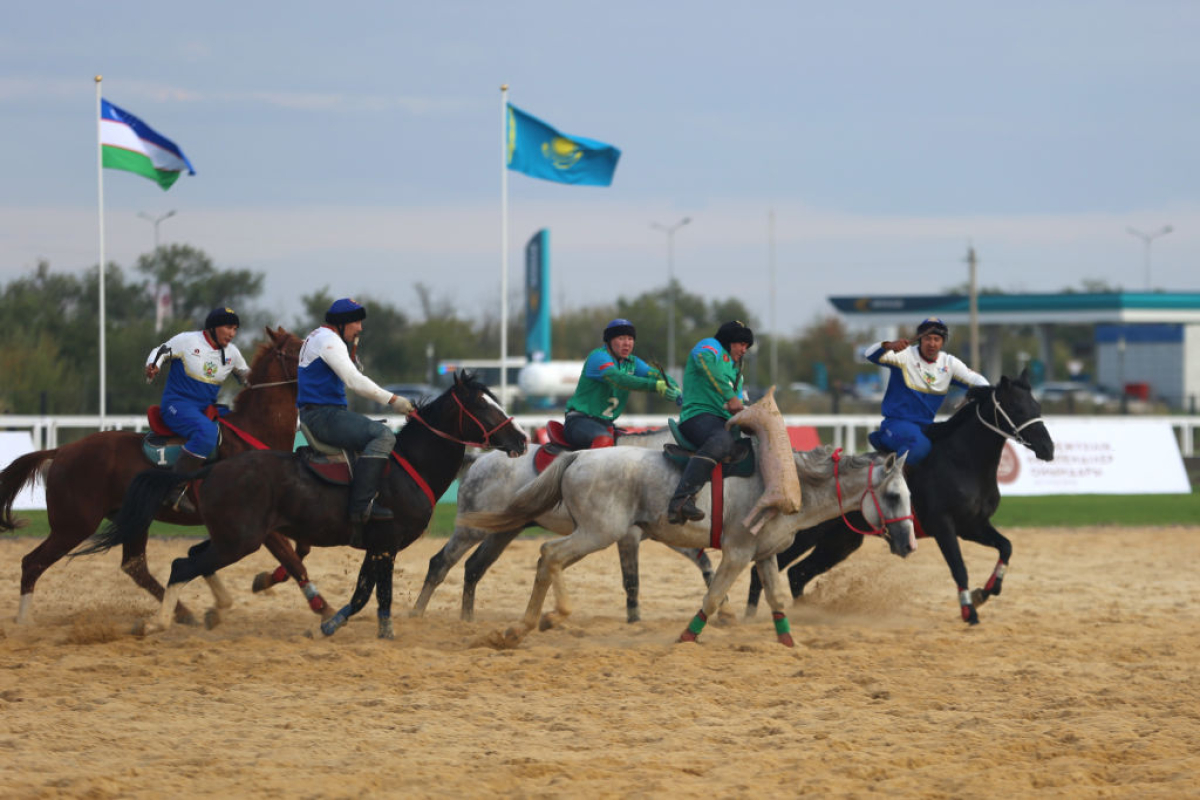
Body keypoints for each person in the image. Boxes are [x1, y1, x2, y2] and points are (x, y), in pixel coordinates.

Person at [297, 298, 414, 537]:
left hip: (322, 413)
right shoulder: (329, 341)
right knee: (383, 435)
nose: (360, 328)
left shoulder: (320, 337)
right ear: (341, 323)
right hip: (323, 416)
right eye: (356, 322)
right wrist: (394, 400)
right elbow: (354, 381)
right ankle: (361, 506)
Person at [144, 306, 251, 512]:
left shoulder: (232, 353)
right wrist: (153, 365)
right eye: (228, 327)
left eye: (235, 329)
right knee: (207, 432)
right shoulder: (187, 340)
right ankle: (174, 486)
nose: (232, 333)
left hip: (206, 409)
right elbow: (160, 351)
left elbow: (248, 377)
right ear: (213, 327)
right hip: (176, 406)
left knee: (239, 432)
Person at [860, 316, 989, 465]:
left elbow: (980, 382)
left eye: (937, 339)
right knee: (920, 447)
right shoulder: (904, 355)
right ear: (920, 339)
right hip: (895, 426)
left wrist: (988, 396)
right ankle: (891, 483)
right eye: (927, 338)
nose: (932, 343)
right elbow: (869, 354)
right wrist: (889, 345)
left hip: (926, 428)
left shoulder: (950, 364)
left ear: (942, 342)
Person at [667, 320, 755, 524]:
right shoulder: (709, 347)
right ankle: (680, 500)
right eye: (741, 343)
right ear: (729, 340)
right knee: (722, 442)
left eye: (747, 346)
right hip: (697, 417)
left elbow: (738, 403)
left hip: (723, 423)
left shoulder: (737, 372)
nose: (744, 350)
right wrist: (729, 396)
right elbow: (707, 365)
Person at [562, 318, 680, 450]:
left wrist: (673, 387)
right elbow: (619, 379)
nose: (627, 343)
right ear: (609, 341)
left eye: (630, 339)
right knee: (604, 439)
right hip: (579, 422)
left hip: (606, 424)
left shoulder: (632, 362)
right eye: (621, 338)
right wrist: (657, 386)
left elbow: (656, 374)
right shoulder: (598, 357)